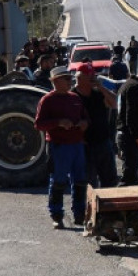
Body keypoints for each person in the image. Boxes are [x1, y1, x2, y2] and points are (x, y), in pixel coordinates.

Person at [34, 67, 89, 228]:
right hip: (58, 146)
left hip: (77, 145)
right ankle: (56, 215)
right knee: (58, 181)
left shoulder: (75, 98)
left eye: (69, 78)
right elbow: (38, 124)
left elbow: (86, 118)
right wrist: (58, 122)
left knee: (79, 181)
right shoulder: (47, 100)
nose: (69, 81)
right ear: (56, 81)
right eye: (66, 79)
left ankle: (79, 214)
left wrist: (84, 124)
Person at [74, 63, 119, 189]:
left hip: (103, 142)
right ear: (79, 78)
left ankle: (109, 207)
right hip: (84, 145)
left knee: (110, 181)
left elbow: (115, 103)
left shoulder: (98, 94)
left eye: (93, 75)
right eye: (89, 76)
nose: (92, 78)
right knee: (88, 183)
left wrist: (101, 87)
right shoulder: (72, 96)